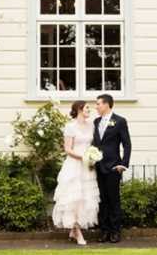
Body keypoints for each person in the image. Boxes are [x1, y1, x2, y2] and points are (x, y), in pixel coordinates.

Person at [52, 100, 100, 245]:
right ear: (79, 109)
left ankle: (74, 229)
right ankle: (78, 233)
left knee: (85, 198)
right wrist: (83, 157)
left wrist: (92, 156)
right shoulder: (70, 126)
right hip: (74, 166)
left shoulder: (91, 125)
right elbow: (67, 149)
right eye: (86, 108)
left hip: (87, 167)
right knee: (74, 199)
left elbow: (92, 145)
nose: (89, 110)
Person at [92, 93, 131, 243]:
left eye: (98, 104)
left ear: (106, 104)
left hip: (114, 167)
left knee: (113, 200)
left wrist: (123, 164)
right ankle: (104, 231)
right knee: (102, 200)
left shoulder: (120, 121)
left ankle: (115, 232)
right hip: (98, 166)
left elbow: (127, 144)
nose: (96, 106)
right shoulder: (95, 122)